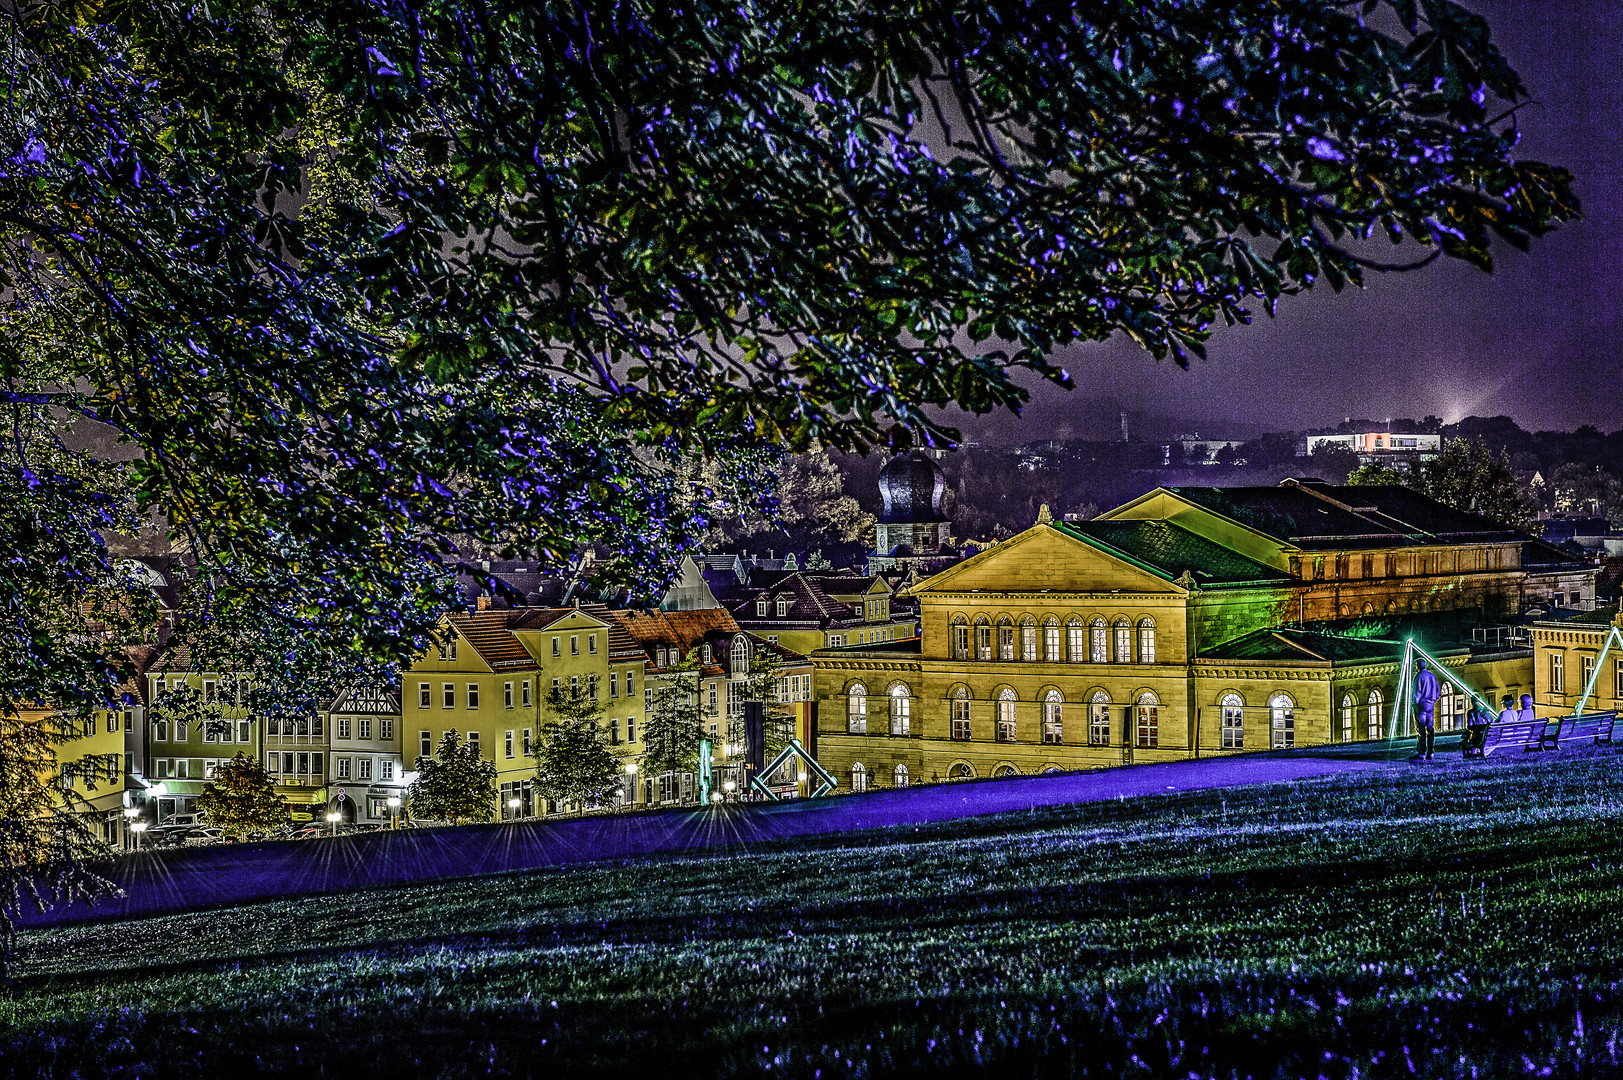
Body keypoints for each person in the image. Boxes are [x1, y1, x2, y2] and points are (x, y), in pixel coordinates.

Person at [1411, 658, 1440, 761]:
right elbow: (1437, 692)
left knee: (1421, 729)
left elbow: (1417, 693)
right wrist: (1432, 700)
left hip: (1421, 705)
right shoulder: (1432, 676)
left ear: (1418, 665)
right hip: (1430, 705)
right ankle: (1431, 752)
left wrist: (1414, 703)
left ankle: (1421, 752)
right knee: (1430, 729)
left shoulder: (1419, 677)